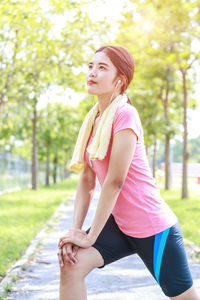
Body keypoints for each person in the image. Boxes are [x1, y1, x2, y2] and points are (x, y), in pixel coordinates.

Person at [58, 45, 199, 300]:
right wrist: (77, 232)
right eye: (91, 66)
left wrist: (89, 238)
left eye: (102, 68)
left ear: (119, 80)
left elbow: (114, 181)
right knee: (71, 264)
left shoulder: (125, 115)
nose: (92, 72)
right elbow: (87, 178)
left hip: (153, 228)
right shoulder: (93, 120)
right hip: (122, 225)